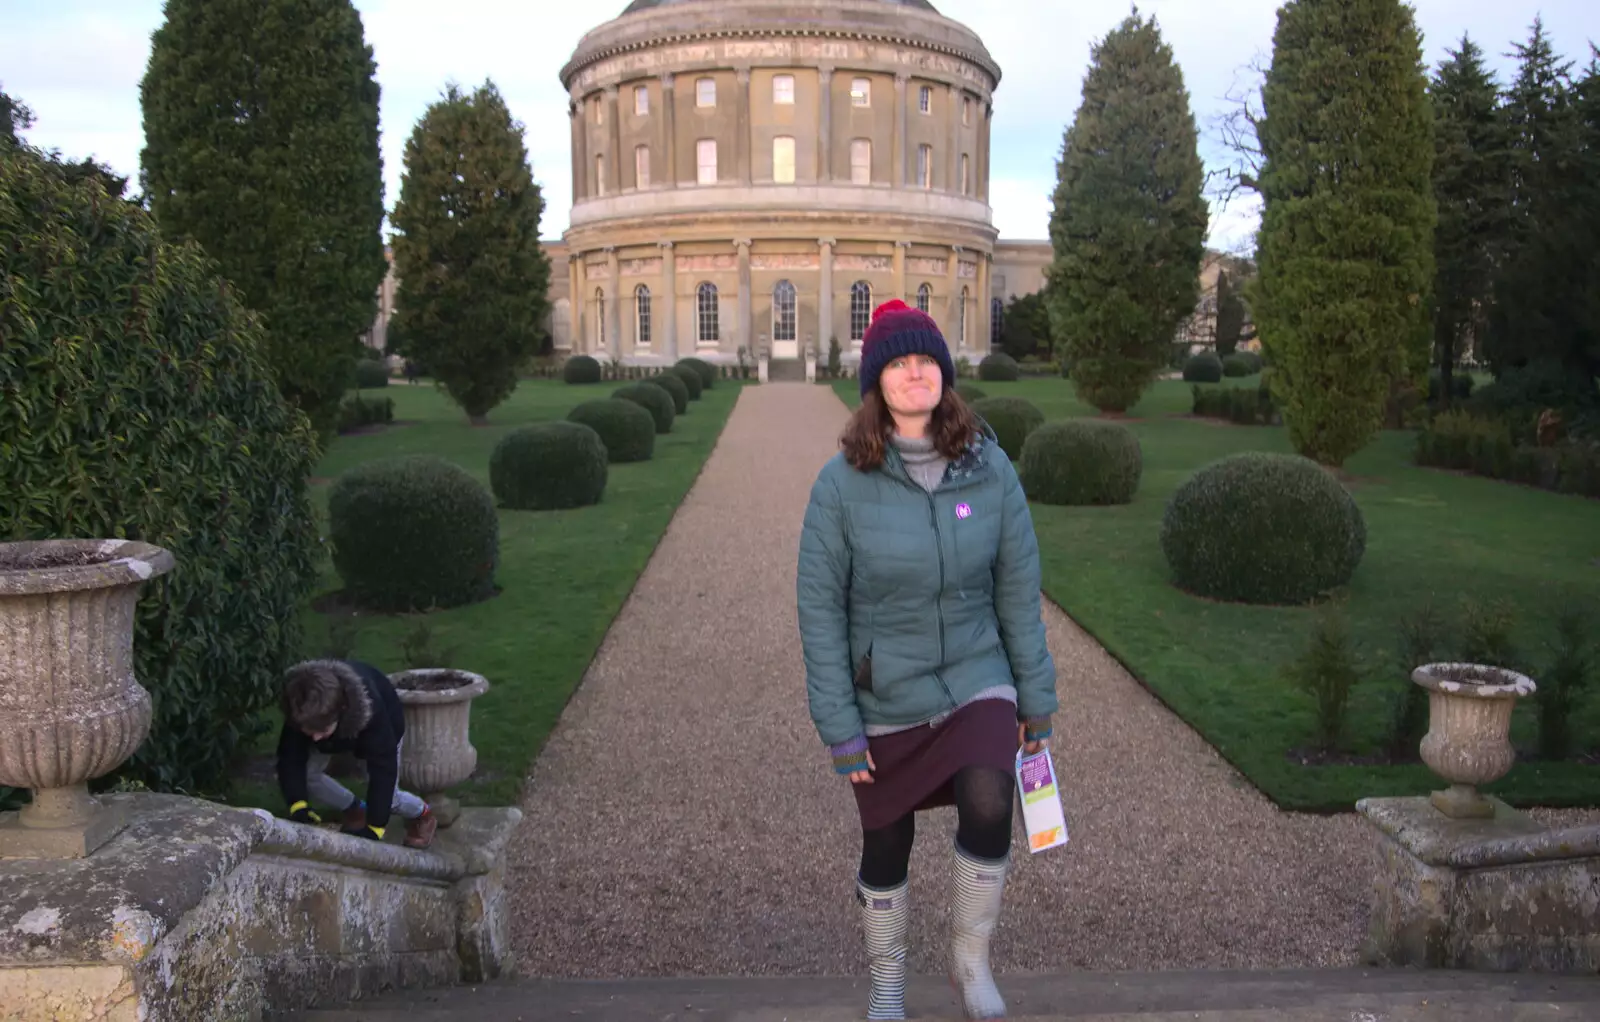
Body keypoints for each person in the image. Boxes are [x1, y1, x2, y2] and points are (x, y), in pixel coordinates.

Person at [796, 299, 1057, 1021]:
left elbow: (1017, 589)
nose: (916, 373)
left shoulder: (990, 467)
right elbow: (819, 612)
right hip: (886, 690)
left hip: (976, 672)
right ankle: (887, 982)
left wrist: (1034, 697)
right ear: (876, 383)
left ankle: (970, 967)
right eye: (899, 363)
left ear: (945, 372)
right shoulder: (840, 485)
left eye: (927, 361)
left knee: (989, 797)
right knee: (886, 839)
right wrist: (840, 727)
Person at [276, 658, 437, 850]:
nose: (316, 738)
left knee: (390, 799)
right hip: (336, 728)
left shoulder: (373, 711)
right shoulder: (301, 705)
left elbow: (383, 772)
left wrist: (375, 828)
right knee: (307, 775)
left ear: (341, 711)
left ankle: (423, 814)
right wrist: (298, 805)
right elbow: (290, 756)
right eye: (309, 730)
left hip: (386, 725)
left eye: (322, 730)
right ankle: (356, 810)